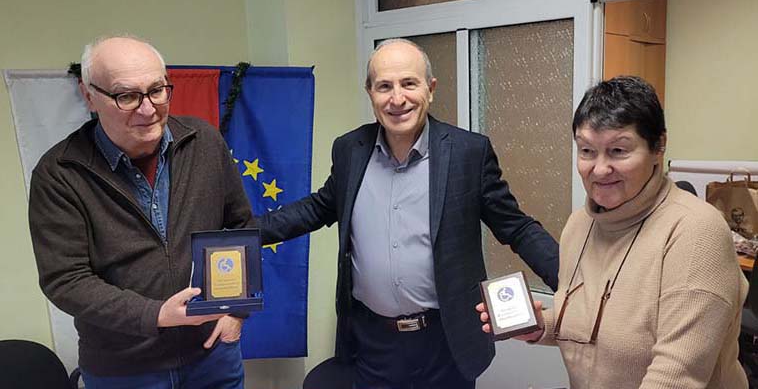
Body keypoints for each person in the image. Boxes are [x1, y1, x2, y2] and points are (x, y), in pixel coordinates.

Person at [259, 38, 559, 388]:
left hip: (445, 341)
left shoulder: (467, 153)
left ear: (430, 89)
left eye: (409, 84)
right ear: (370, 92)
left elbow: (516, 228)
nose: (397, 98)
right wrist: (242, 236)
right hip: (372, 341)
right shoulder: (350, 149)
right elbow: (318, 207)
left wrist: (575, 284)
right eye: (384, 86)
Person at [478, 76, 748, 388]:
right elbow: (591, 322)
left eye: (618, 150)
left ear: (658, 147)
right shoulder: (580, 225)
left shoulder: (696, 232)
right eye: (587, 150)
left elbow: (675, 375)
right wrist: (541, 326)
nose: (599, 169)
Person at [28, 35, 253, 388]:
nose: (148, 109)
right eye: (127, 96)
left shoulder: (204, 142)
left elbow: (240, 228)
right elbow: (66, 280)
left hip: (212, 358)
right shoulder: (60, 172)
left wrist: (237, 311)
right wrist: (157, 314)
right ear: (89, 95)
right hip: (124, 371)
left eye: (157, 90)